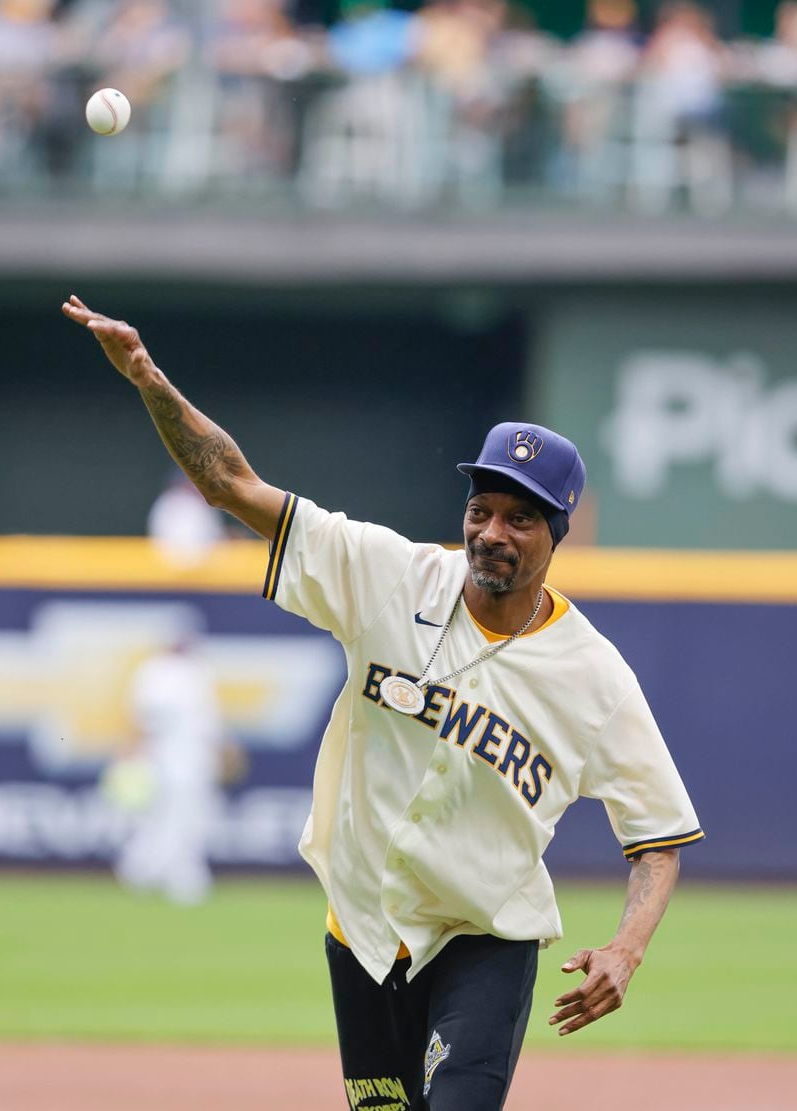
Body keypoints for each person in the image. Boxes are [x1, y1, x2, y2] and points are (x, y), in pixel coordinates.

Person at [62, 294, 704, 1110]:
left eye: (520, 517)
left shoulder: (595, 676)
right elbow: (230, 483)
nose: (492, 531)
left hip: (485, 937)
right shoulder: (387, 576)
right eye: (481, 509)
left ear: (558, 532)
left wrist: (627, 947)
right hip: (360, 929)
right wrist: (148, 377)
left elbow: (659, 838)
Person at [113, 622, 224, 905]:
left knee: (184, 819)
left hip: (187, 759)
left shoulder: (193, 671)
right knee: (166, 819)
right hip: (164, 759)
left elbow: (208, 724)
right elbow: (143, 719)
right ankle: (157, 875)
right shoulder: (158, 671)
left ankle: (163, 875)